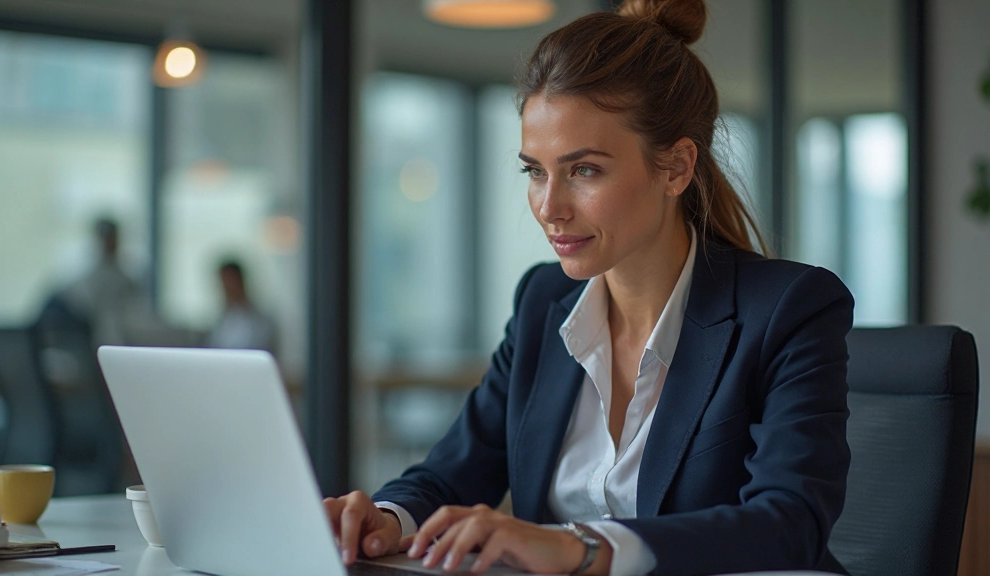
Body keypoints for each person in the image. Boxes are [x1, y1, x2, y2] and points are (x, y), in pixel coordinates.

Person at [324, 1, 853, 574]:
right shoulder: (542, 305)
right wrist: (388, 516)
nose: (549, 207)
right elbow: (453, 471)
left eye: (584, 170)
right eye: (534, 170)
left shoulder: (787, 309)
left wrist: (582, 548)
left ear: (676, 167)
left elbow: (790, 522)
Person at [55, 218, 145, 346]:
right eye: (105, 238)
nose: (108, 243)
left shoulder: (125, 281)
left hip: (110, 341)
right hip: (84, 337)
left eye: (111, 238)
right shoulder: (84, 278)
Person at [207, 260, 277, 354]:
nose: (227, 290)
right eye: (224, 285)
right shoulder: (219, 323)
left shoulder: (263, 322)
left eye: (230, 284)